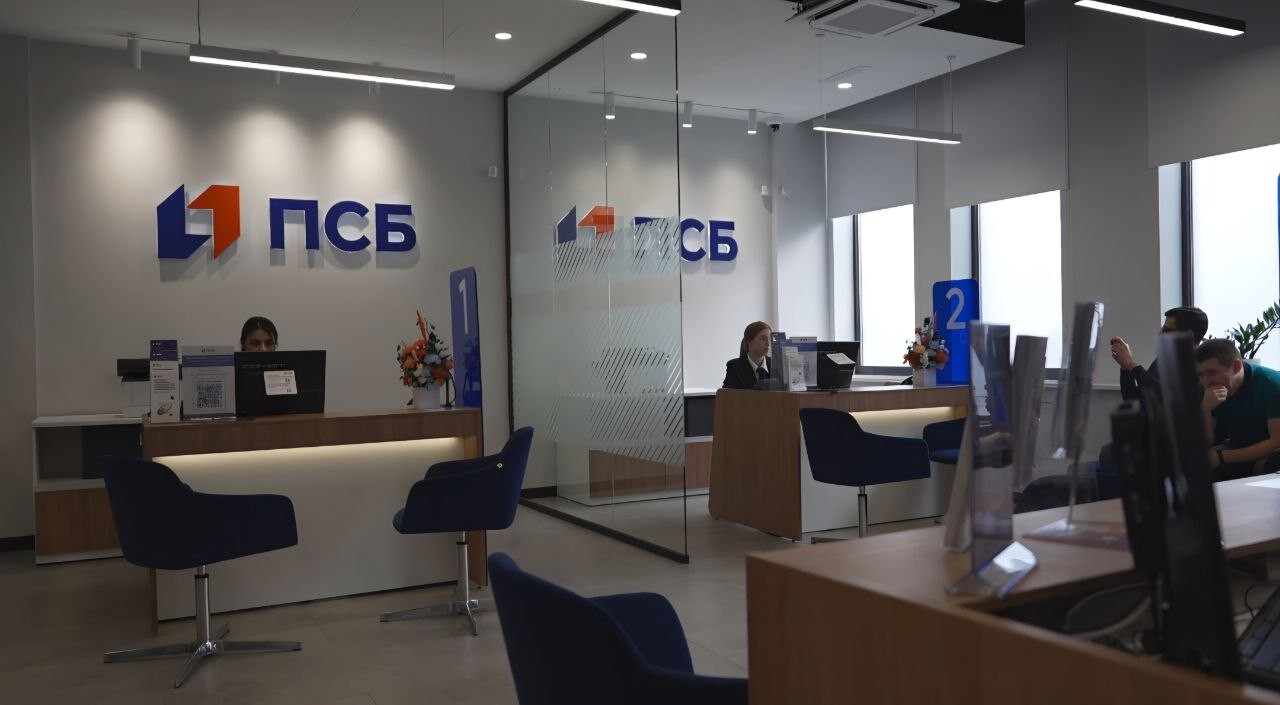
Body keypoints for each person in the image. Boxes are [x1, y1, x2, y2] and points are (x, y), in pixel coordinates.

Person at [1196, 339, 1280, 481]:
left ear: (1236, 366)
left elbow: (1276, 442)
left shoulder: (1272, 384)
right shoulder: (1205, 389)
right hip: (1237, 448)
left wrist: (1220, 457)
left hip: (1271, 455)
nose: (1206, 381)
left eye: (1212, 372)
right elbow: (1207, 441)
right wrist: (1204, 409)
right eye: (1201, 374)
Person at [1109, 306, 1208, 401]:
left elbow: (1167, 398)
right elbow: (1133, 399)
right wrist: (1125, 368)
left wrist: (1131, 364)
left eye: (1166, 330)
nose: (1160, 334)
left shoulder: (1201, 367)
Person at [722, 321, 772, 390]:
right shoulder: (735, 366)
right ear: (749, 341)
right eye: (763, 339)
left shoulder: (777, 365)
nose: (768, 343)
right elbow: (727, 395)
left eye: (769, 339)